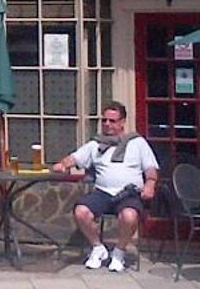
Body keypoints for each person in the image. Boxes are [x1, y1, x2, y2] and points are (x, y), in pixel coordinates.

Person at [52, 101, 158, 273]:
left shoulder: (137, 143)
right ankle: (98, 248)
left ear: (122, 122)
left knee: (129, 216)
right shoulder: (95, 144)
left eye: (112, 121)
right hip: (103, 193)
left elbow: (151, 168)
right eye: (105, 120)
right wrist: (63, 164)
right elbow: (74, 158)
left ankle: (119, 252)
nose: (107, 124)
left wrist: (150, 184)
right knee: (81, 211)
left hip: (128, 193)